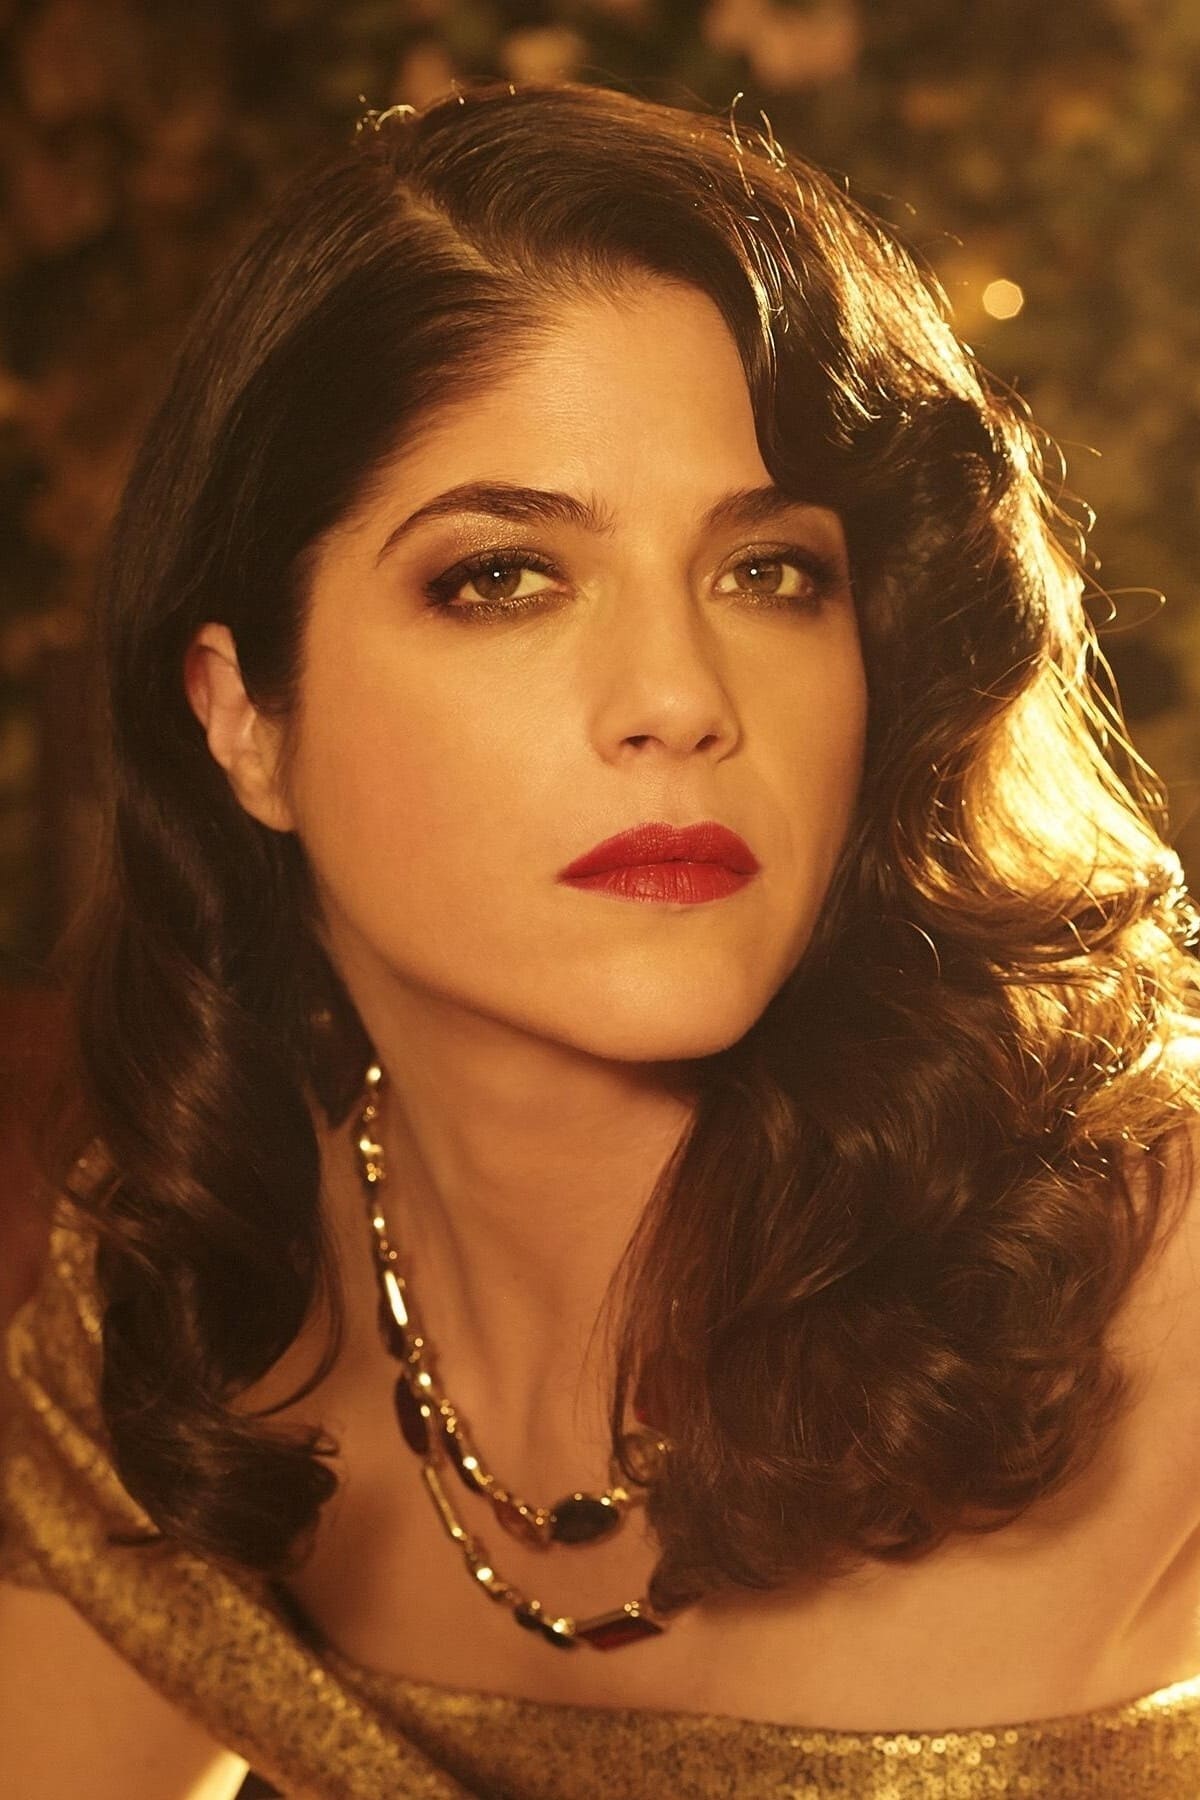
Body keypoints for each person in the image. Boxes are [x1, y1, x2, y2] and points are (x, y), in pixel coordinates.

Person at [2, 75, 1200, 1800]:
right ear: (245, 718)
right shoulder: (198, 1309)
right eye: (502, 577)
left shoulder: (1158, 1287)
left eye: (771, 573)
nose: (677, 698)